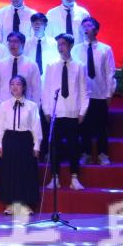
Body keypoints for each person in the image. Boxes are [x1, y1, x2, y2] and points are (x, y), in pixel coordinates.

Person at [43, 33, 89, 191]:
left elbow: (84, 91)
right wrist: (46, 110)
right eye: (58, 44)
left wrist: (82, 111)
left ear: (70, 46)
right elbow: (46, 89)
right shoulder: (51, 65)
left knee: (73, 147)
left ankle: (74, 178)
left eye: (63, 44)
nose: (60, 47)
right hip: (56, 113)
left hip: (72, 113)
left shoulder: (80, 66)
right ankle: (54, 177)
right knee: (54, 147)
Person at [0, 75, 42, 217]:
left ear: (24, 87)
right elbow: (0, 126)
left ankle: (26, 204)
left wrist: (37, 145)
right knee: (9, 171)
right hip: (9, 139)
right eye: (12, 84)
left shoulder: (32, 106)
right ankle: (10, 204)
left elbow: (36, 126)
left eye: (18, 84)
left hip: (25, 140)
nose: (15, 87)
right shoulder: (4, 105)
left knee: (25, 171)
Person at [74, 17, 116, 166]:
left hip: (100, 93)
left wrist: (109, 93)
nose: (85, 28)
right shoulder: (76, 49)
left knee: (101, 126)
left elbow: (110, 72)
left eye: (89, 25)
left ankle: (102, 154)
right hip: (83, 95)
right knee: (83, 126)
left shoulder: (105, 49)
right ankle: (85, 153)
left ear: (96, 30)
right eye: (83, 26)